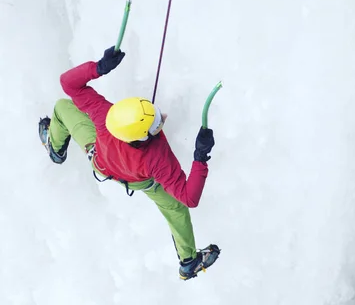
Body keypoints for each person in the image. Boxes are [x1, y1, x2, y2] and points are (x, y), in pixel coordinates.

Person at [37, 46, 220, 280]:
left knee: (62, 108)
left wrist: (98, 68)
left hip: (100, 158)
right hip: (145, 181)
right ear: (143, 137)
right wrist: (200, 157)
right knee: (176, 208)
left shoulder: (106, 116)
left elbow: (68, 83)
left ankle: (55, 148)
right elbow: (189, 197)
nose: (162, 116)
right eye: (157, 124)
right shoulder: (156, 157)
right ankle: (188, 262)